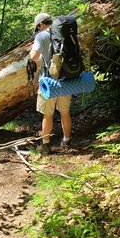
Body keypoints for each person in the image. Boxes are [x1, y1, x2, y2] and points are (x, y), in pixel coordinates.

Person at [29, 12, 72, 154]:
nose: (38, 30)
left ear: (41, 24)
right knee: (65, 113)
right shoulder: (64, 32)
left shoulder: (41, 36)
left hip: (48, 82)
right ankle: (66, 142)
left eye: (38, 27)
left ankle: (46, 145)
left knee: (48, 115)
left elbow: (34, 56)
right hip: (66, 80)